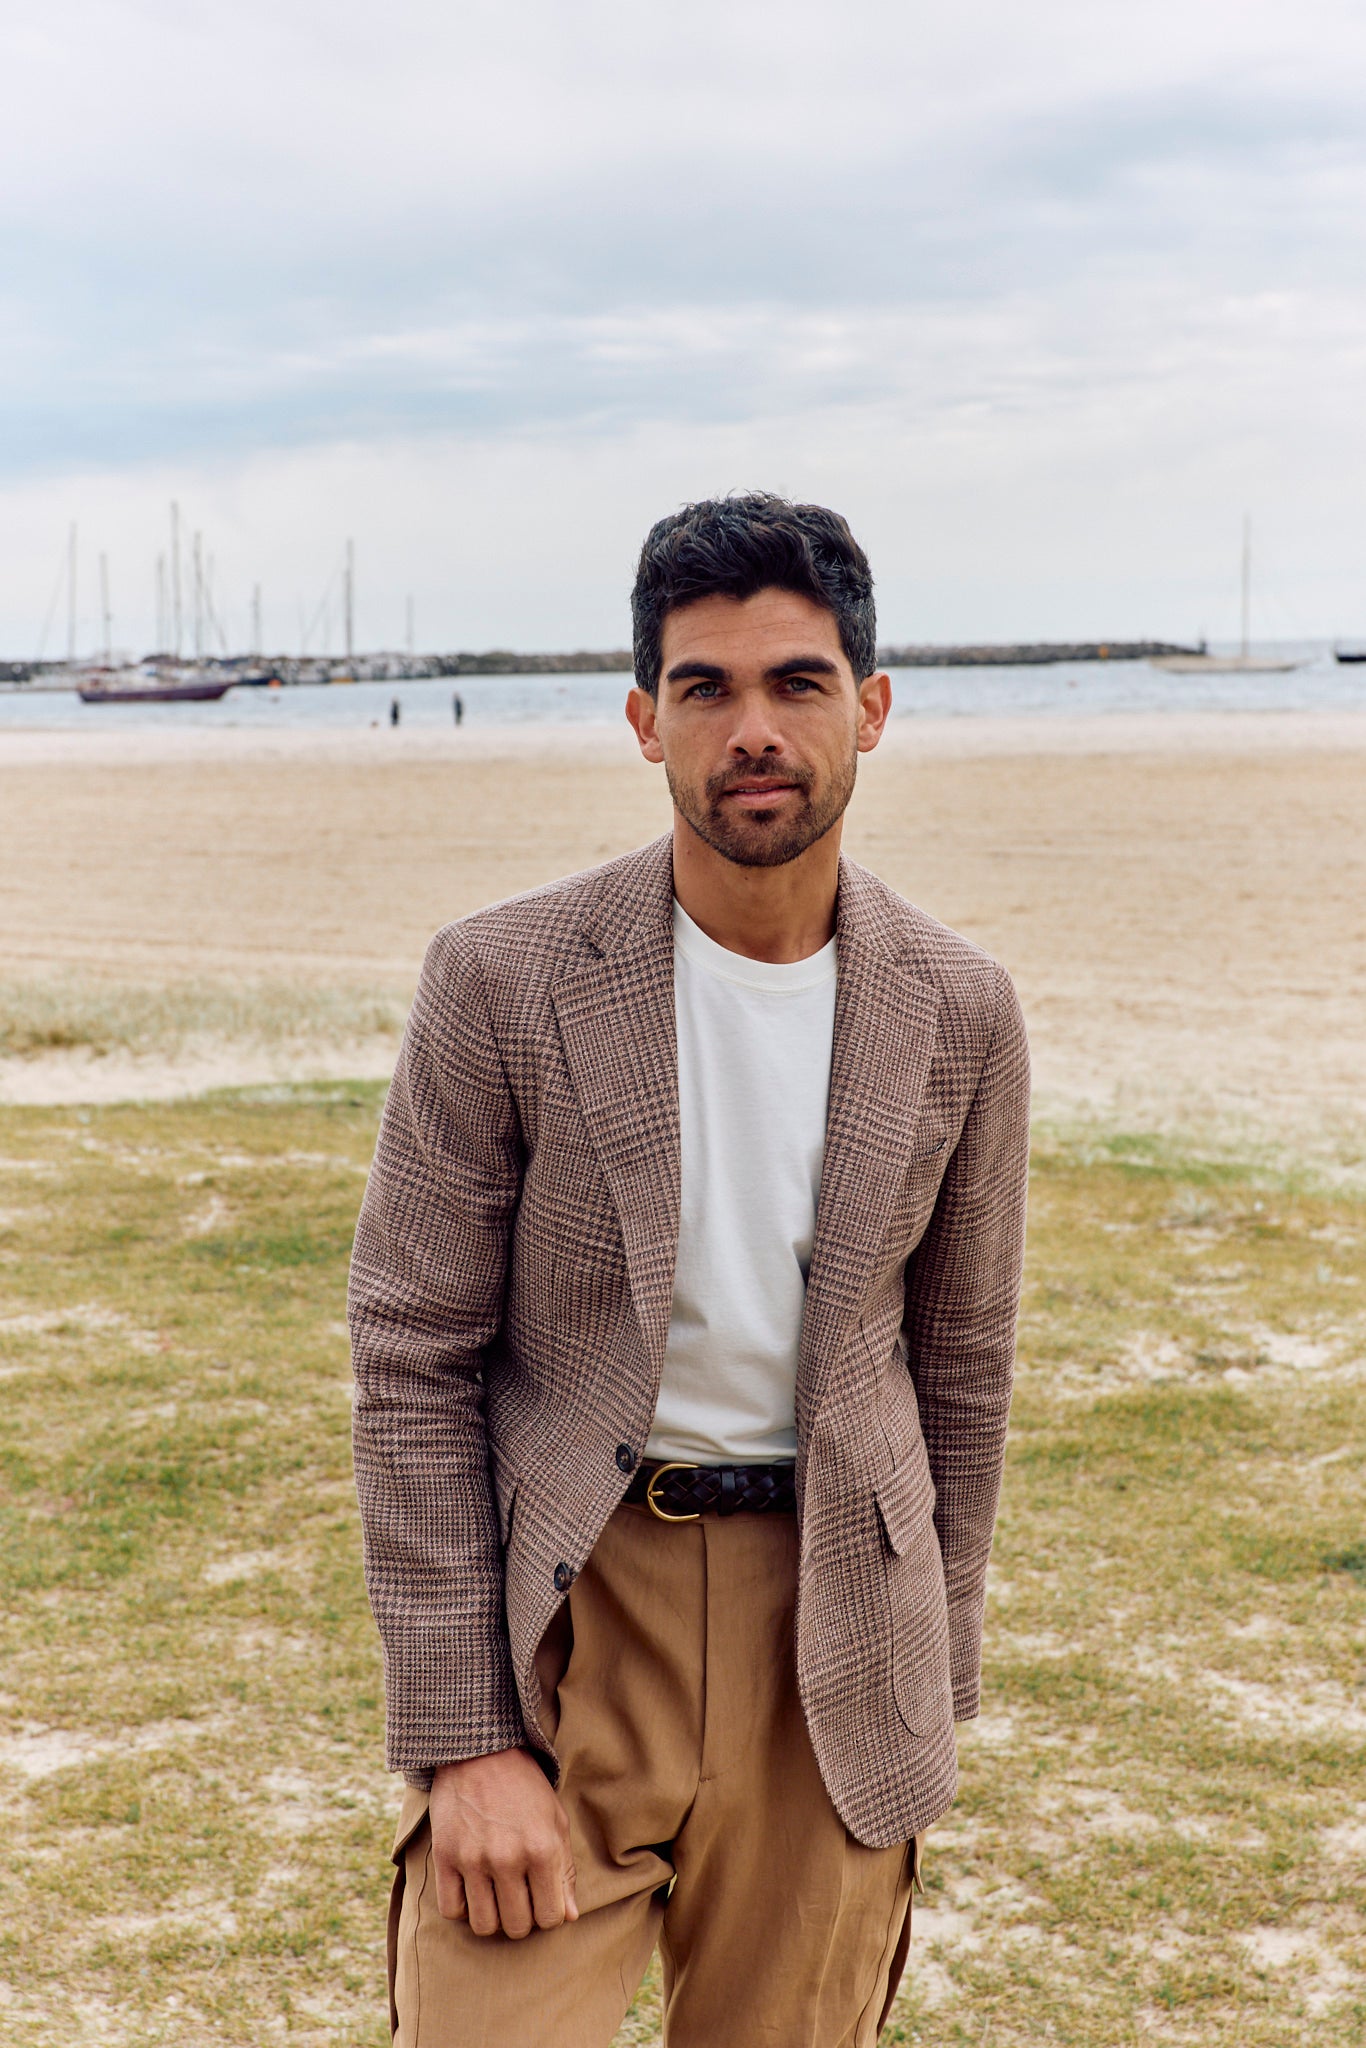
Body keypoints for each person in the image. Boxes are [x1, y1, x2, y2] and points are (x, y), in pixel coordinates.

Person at [349, 493, 1030, 2047]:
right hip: (578, 1617)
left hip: (832, 1632)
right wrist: (463, 1740)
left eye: (795, 682)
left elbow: (963, 1364)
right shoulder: (503, 976)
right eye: (706, 688)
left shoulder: (961, 1008)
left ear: (868, 708)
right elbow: (409, 1355)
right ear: (645, 721)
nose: (753, 730)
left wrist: (930, 1666)